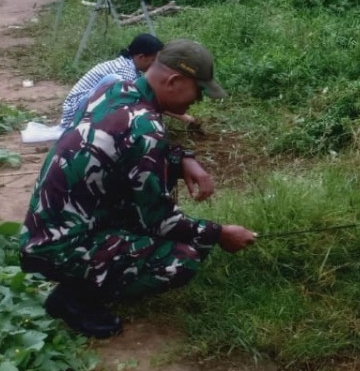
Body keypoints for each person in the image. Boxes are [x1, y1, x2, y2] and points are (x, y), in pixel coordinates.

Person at [21, 40, 256, 339]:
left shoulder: (115, 89)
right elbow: (161, 220)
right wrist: (221, 234)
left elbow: (128, 151)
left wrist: (183, 158)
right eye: (198, 92)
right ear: (173, 81)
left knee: (154, 219)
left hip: (45, 229)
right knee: (182, 258)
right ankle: (76, 299)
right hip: (57, 246)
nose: (197, 101)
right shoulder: (146, 129)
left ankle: (85, 275)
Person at [59, 34, 196, 130]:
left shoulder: (128, 66)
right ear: (141, 57)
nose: (156, 66)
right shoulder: (126, 71)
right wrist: (184, 117)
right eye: (154, 60)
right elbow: (144, 99)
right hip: (75, 113)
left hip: (78, 108)